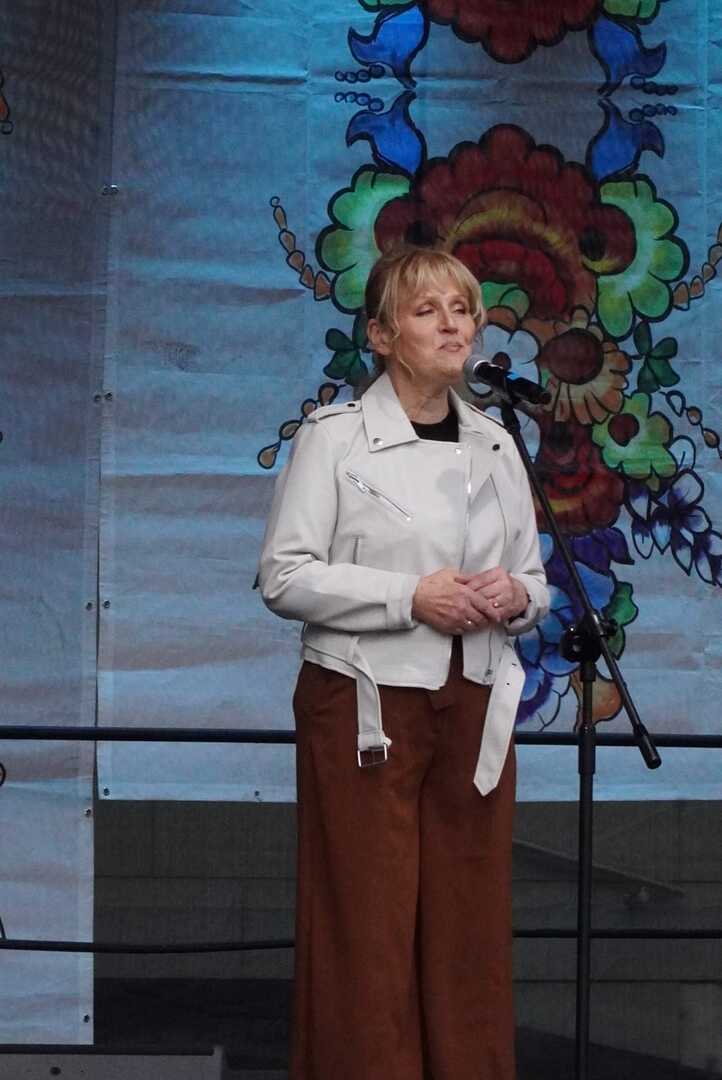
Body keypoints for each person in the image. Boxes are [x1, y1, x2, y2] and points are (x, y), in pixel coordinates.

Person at [258, 246, 549, 1080]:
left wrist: (514, 596)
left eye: (463, 309)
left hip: (472, 703)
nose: (454, 325)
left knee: (470, 925)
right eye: (427, 311)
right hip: (366, 706)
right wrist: (407, 598)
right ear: (382, 337)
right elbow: (283, 576)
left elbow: (535, 582)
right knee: (368, 924)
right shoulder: (335, 439)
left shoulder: (498, 443)